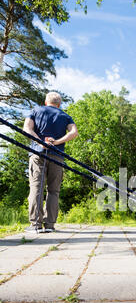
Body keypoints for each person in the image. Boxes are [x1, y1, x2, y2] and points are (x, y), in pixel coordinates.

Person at [23, 91, 78, 233]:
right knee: (54, 191)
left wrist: (40, 142)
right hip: (57, 156)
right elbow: (74, 133)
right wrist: (57, 142)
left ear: (46, 102)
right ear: (59, 104)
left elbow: (27, 128)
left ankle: (35, 225)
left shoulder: (36, 110)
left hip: (37, 154)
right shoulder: (65, 116)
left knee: (36, 188)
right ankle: (50, 225)